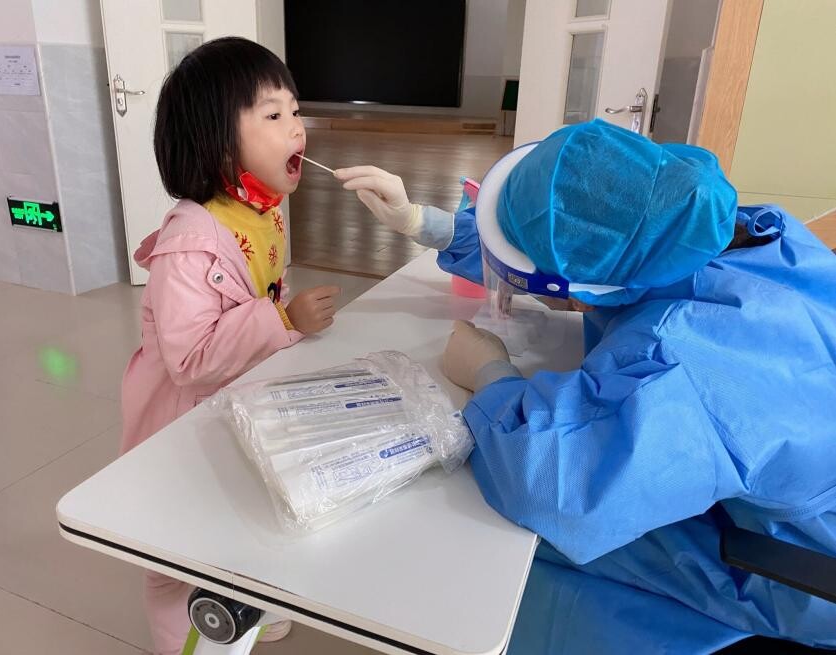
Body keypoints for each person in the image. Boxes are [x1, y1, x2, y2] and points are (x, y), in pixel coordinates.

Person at [335, 120, 836, 653]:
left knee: (517, 544)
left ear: (580, 287)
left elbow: (552, 486)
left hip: (794, 564)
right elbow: (595, 251)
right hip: (780, 483)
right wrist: (427, 224)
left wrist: (491, 376)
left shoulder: (682, 365)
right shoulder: (743, 232)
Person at [121, 37, 341, 655]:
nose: (296, 127)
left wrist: (281, 322)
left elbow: (261, 288)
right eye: (273, 115)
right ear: (219, 145)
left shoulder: (262, 210)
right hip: (176, 425)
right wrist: (282, 319)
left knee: (245, 516)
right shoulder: (191, 243)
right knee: (175, 552)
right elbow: (189, 360)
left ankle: (251, 607)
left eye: (295, 111)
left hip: (237, 404)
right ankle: (181, 642)